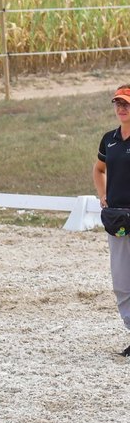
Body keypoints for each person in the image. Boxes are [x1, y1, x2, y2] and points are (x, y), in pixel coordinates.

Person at [93, 84, 130, 356]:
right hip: (118, 218)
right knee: (121, 281)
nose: (121, 108)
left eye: (126, 104)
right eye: (118, 103)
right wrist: (102, 196)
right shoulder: (109, 139)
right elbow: (99, 169)